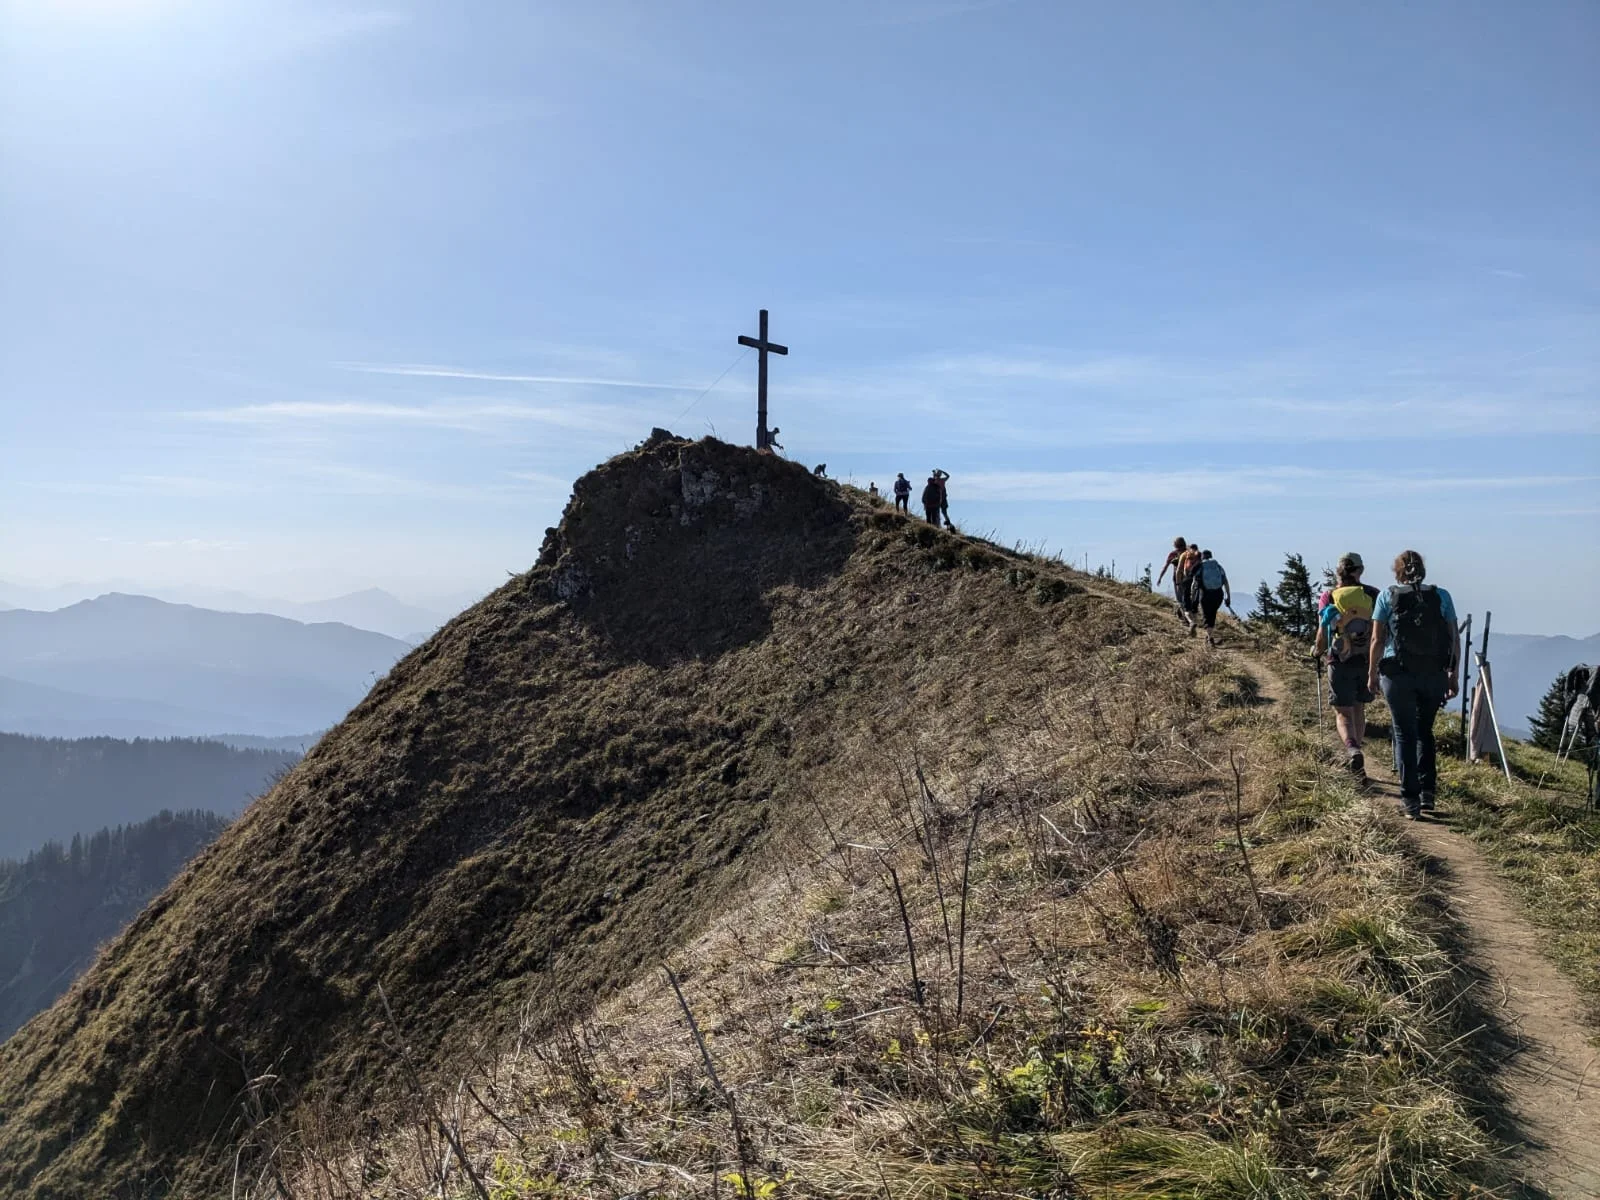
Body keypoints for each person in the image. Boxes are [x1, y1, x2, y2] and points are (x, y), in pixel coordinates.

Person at [1367, 550, 1459, 819]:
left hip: (1397, 673)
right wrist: (1452, 674)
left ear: (1397, 571)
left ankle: (1410, 801)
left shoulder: (1387, 596)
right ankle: (1428, 792)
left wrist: (1372, 673)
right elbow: (1454, 637)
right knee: (1424, 731)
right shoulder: (1442, 596)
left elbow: (1377, 640)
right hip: (1434, 674)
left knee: (1405, 734)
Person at [1314, 552, 1379, 780]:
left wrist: (1317, 650)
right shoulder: (1372, 594)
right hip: (1366, 659)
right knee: (1360, 707)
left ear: (1339, 571)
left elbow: (1323, 630)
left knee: (1343, 712)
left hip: (1339, 659)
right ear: (1360, 570)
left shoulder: (1329, 596)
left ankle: (1352, 749)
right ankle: (1357, 751)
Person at [1156, 537, 1194, 631]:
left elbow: (1165, 566)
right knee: (1188, 598)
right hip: (1189, 579)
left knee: (1180, 599)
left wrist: (1160, 577)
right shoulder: (1189, 553)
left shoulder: (1173, 554)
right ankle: (1187, 617)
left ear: (1175, 545)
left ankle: (1186, 619)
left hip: (1178, 579)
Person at [1196, 550, 1231, 645]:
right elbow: (1226, 582)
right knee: (1212, 614)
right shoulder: (1218, 567)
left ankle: (1210, 638)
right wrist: (1228, 597)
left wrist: (1193, 596)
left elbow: (1195, 583)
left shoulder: (1200, 567)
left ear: (1202, 557)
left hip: (1205, 594)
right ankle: (1209, 636)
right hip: (1218, 594)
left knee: (1206, 616)